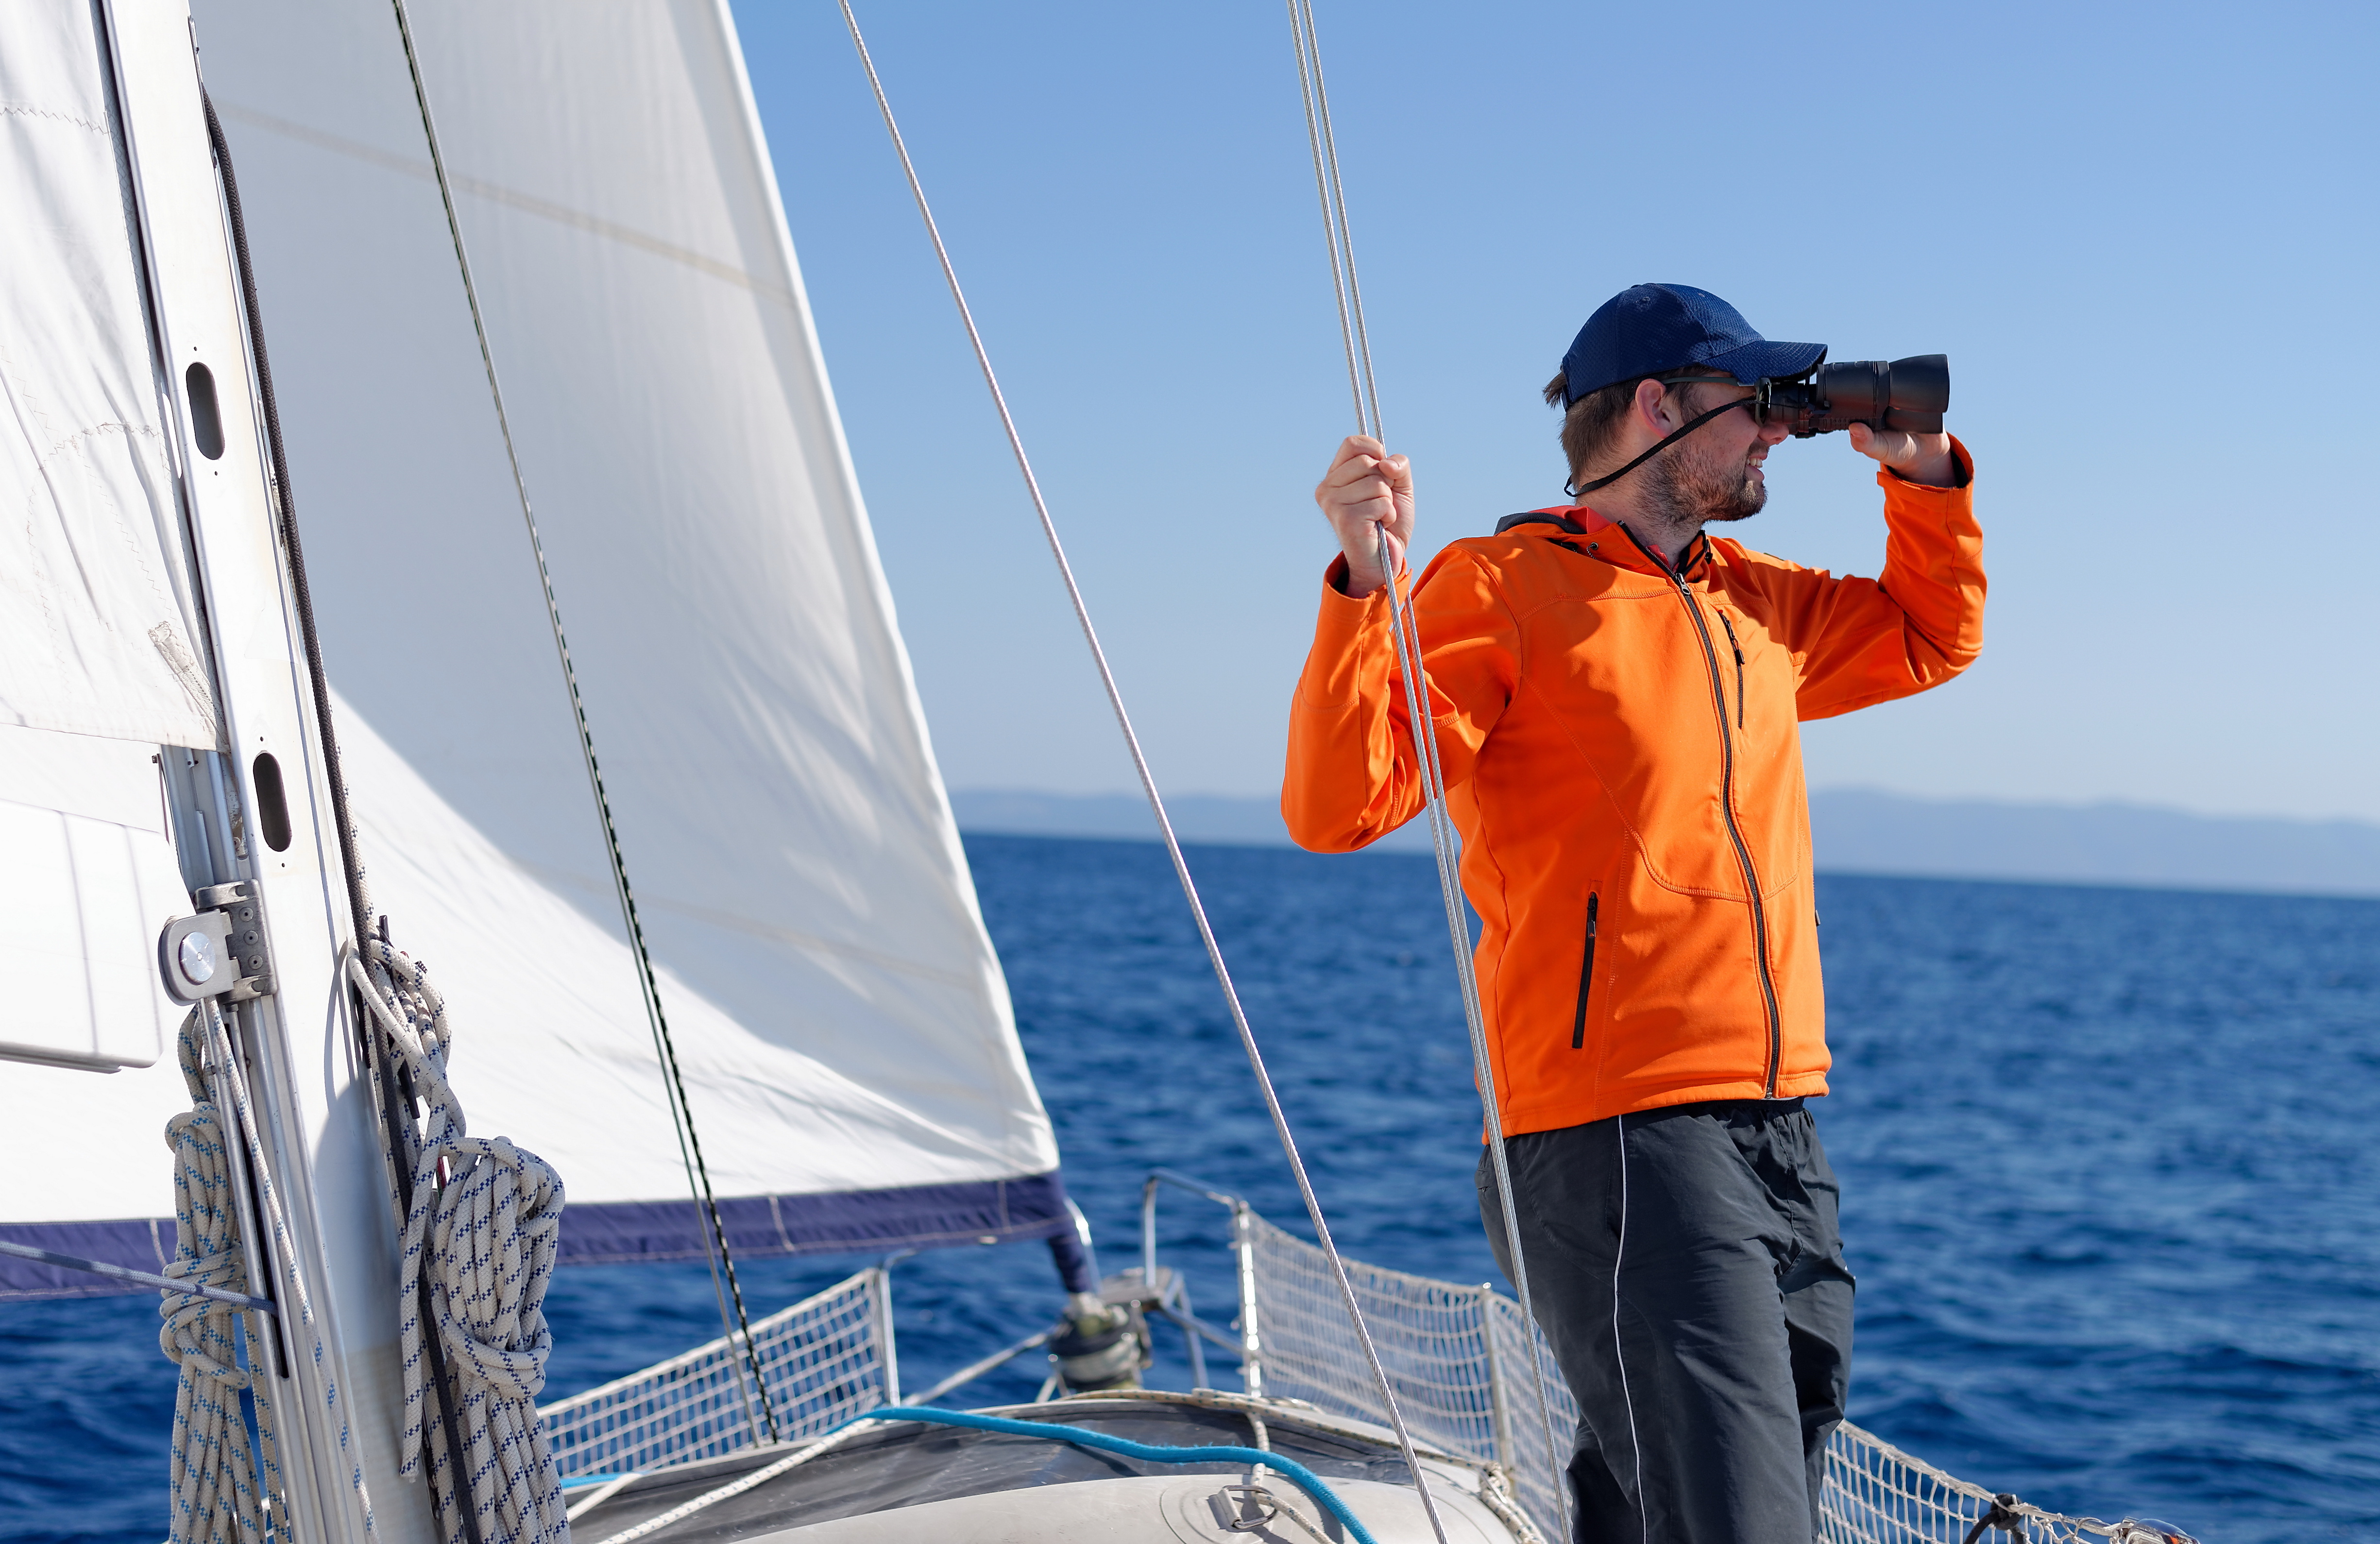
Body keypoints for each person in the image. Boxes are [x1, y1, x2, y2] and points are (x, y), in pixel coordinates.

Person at [1282, 283, 1984, 1543]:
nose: (1774, 432)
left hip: (1776, 1121)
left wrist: (1922, 478)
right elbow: (1341, 803)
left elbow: (1930, 637)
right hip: (1612, 1130)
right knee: (1735, 1518)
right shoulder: (1498, 586)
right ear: (1654, 406)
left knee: (1684, 1493)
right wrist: (1360, 585)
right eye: (1748, 405)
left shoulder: (1752, 604)